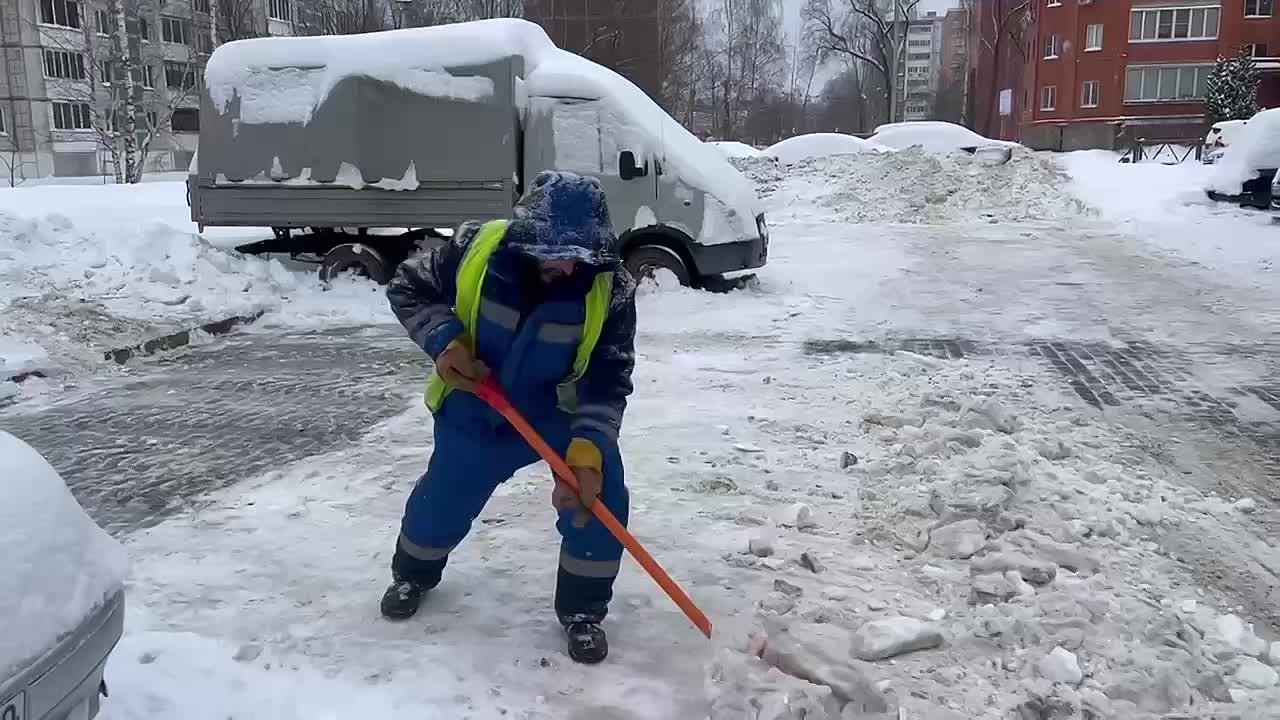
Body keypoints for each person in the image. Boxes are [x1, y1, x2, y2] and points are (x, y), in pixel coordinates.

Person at [381, 171, 637, 665]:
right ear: (528, 239)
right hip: (479, 401)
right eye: (555, 252)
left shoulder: (613, 288)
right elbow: (408, 286)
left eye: (580, 254)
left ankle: (583, 610)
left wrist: (589, 446)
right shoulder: (474, 248)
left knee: (598, 498)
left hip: (558, 413)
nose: (568, 265)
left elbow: (609, 375)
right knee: (444, 500)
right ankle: (413, 573)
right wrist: (445, 342)